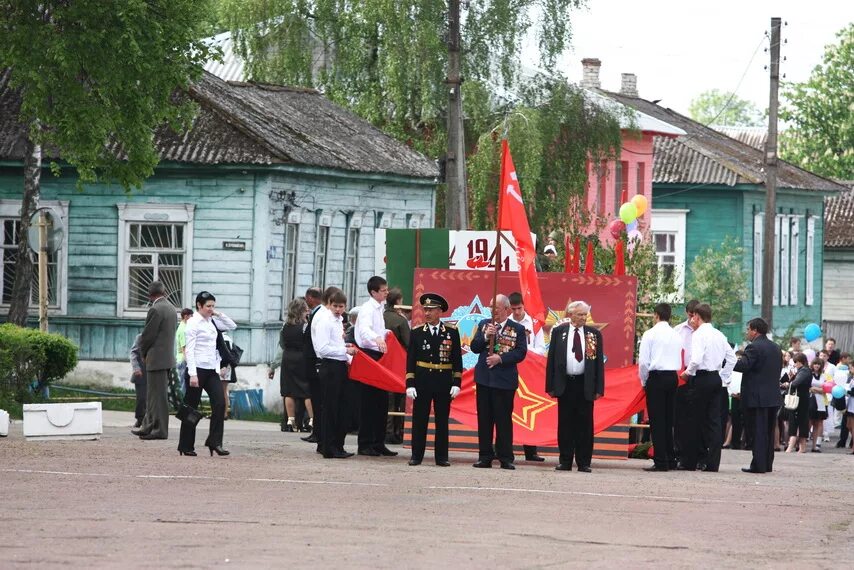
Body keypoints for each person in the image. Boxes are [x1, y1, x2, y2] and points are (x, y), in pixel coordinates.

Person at [546, 300, 605, 473]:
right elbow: (551, 361)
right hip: (565, 384)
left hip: (585, 385)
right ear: (571, 315)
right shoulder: (558, 332)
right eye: (580, 314)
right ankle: (565, 460)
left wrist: (599, 388)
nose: (583, 318)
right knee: (565, 424)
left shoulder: (593, 334)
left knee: (585, 425)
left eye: (585, 314)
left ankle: (584, 462)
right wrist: (550, 385)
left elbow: (598, 364)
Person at [405, 293, 462, 466]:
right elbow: (411, 360)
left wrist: (456, 383)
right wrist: (410, 384)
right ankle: (416, 455)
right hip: (423, 381)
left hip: (443, 381)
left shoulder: (451, 332)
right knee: (419, 420)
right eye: (425, 310)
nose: (427, 313)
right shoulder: (416, 333)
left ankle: (442, 457)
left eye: (431, 310)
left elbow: (457, 359)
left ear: (440, 312)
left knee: (442, 420)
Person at [470, 294, 527, 470]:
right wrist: (486, 336)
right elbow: (474, 347)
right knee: (484, 419)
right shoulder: (484, 325)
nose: (492, 310)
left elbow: (521, 352)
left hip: (504, 381)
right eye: (490, 307)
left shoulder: (516, 328)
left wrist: (500, 359)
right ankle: (485, 456)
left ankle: (505, 457)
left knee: (503, 420)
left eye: (495, 307)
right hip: (485, 380)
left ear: (506, 309)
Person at [178, 291, 236, 456]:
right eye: (208, 306)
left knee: (219, 403)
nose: (211, 309)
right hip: (197, 370)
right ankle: (186, 445)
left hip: (211, 370)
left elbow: (232, 325)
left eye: (213, 306)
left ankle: (215, 441)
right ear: (199, 305)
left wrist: (217, 313)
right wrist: (193, 374)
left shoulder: (212, 321)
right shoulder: (193, 323)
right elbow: (189, 350)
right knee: (191, 407)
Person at [679, 303, 736, 472]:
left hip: (701, 377)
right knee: (714, 422)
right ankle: (712, 463)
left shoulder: (698, 334)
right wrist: (724, 376)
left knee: (693, 420)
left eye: (693, 317)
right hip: (715, 379)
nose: (692, 320)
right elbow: (731, 358)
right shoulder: (719, 334)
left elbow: (696, 359)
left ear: (697, 316)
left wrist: (687, 373)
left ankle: (690, 461)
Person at [354, 276, 397, 457]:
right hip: (368, 355)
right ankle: (365, 443)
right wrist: (377, 338)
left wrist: (386, 333)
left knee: (381, 402)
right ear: (374, 292)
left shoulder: (380, 309)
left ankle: (379, 442)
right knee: (369, 402)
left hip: (379, 354)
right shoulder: (367, 309)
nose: (387, 293)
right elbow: (364, 331)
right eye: (383, 290)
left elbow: (378, 329)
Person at [733, 318, 783, 474]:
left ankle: (758, 465)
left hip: (756, 398)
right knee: (768, 431)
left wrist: (730, 360)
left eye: (748, 329)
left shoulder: (754, 347)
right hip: (772, 396)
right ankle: (767, 463)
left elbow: (744, 366)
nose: (747, 332)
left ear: (755, 330)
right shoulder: (776, 347)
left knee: (757, 432)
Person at [312, 288, 357, 458]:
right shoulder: (326, 321)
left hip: (340, 366)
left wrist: (345, 350)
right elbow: (323, 349)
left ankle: (338, 444)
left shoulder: (339, 322)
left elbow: (336, 344)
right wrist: (345, 352)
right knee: (330, 408)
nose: (338, 309)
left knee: (341, 408)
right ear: (329, 305)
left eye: (341, 306)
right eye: (335, 306)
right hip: (330, 366)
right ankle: (328, 446)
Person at [637, 302, 682, 471]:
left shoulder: (650, 334)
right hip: (672, 377)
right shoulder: (676, 335)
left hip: (656, 377)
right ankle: (670, 458)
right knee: (668, 420)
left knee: (657, 421)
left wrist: (644, 381)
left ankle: (661, 460)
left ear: (656, 315)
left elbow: (643, 362)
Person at [132, 281, 177, 440]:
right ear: (164, 292)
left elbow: (148, 335)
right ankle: (148, 426)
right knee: (154, 395)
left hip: (156, 358)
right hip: (166, 358)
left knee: (157, 396)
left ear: (149, 295)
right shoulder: (171, 308)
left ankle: (159, 430)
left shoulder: (155, 309)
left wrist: (143, 353)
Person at [508, 291, 546, 463]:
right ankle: (502, 449)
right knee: (506, 411)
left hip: (529, 373)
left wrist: (525, 352)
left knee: (529, 412)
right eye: (514, 309)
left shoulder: (534, 323)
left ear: (524, 306)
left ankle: (531, 450)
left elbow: (541, 349)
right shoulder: (505, 323)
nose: (517, 312)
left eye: (519, 308)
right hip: (509, 370)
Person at [279, 298, 313, 432]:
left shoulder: (285, 325)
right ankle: (312, 420)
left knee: (289, 391)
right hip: (302, 357)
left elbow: (282, 343)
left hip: (287, 357)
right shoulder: (305, 326)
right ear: (302, 311)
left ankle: (290, 421)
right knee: (307, 391)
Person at [672, 300, 700, 461]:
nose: (692, 318)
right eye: (690, 314)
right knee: (680, 416)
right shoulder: (678, 330)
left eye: (695, 315)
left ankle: (694, 453)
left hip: (698, 375)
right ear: (686, 312)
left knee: (695, 416)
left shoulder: (704, 332)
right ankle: (679, 452)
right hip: (681, 376)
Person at [384, 288, 410, 445]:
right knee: (397, 399)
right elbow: (408, 343)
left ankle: (385, 430)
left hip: (381, 362)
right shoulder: (400, 320)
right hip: (397, 363)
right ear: (399, 301)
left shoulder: (381, 316)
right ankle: (395, 431)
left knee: (384, 398)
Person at [301, 287, 324, 445]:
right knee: (315, 397)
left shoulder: (319, 313)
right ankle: (317, 430)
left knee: (317, 397)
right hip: (312, 360)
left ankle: (318, 431)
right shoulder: (315, 313)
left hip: (315, 361)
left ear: (310, 298)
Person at [784, 353, 812, 453]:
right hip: (802, 400)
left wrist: (788, 383)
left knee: (795, 422)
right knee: (802, 422)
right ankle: (802, 447)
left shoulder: (804, 370)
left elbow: (796, 383)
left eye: (796, 362)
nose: (795, 364)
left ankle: (791, 447)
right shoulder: (804, 371)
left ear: (800, 362)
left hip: (799, 400)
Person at [807, 358, 828, 453]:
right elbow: (808, 388)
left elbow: (826, 389)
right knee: (809, 422)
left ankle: (815, 446)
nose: (817, 366)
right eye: (815, 364)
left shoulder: (824, 376)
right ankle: (800, 443)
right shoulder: (808, 374)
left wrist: (815, 389)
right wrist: (818, 389)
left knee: (818, 423)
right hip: (810, 401)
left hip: (821, 402)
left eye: (818, 364)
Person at [129, 334, 147, 429]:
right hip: (141, 373)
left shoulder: (159, 337)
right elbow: (133, 353)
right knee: (141, 398)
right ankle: (140, 419)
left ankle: (149, 420)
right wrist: (136, 368)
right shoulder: (140, 337)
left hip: (154, 372)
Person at [175, 308, 193, 395]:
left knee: (185, 384)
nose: (192, 319)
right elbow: (184, 348)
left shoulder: (183, 327)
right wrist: (188, 362)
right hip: (183, 360)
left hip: (182, 359)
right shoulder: (183, 329)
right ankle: (183, 405)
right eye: (191, 316)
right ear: (186, 317)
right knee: (184, 385)